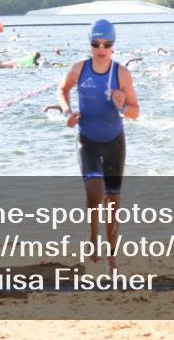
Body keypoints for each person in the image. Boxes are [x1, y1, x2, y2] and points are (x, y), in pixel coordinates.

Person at [57, 19, 140, 274]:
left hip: (114, 142)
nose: (101, 48)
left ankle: (112, 257)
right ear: (90, 45)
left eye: (106, 44)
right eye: (96, 44)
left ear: (113, 45)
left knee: (113, 202)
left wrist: (122, 106)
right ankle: (93, 237)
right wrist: (67, 112)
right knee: (95, 192)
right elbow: (62, 90)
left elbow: (135, 112)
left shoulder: (122, 73)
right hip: (88, 140)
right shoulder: (79, 70)